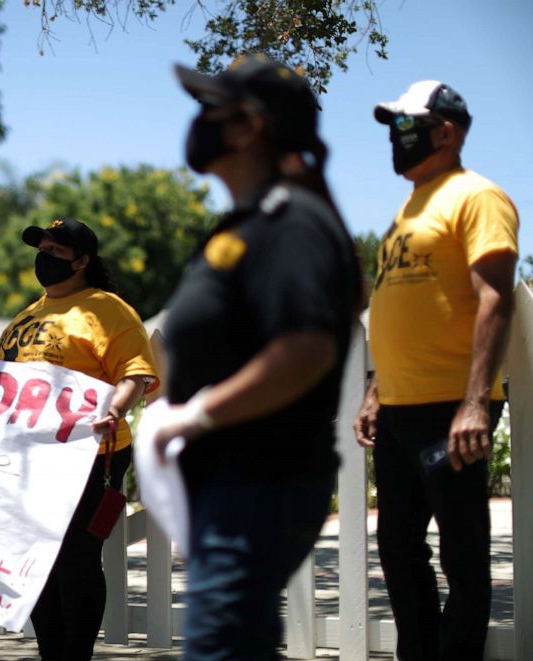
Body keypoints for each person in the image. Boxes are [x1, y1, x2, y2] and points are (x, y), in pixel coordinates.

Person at [152, 55, 361, 659]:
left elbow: (307, 348)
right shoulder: (251, 222)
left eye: (209, 108)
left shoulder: (290, 221)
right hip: (233, 481)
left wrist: (198, 415)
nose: (198, 121)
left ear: (249, 127)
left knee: (222, 649)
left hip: (258, 479)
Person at [0, 217, 159, 660]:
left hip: (91, 454)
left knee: (75, 559)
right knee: (38, 560)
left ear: (82, 260)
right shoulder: (28, 315)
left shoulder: (107, 309)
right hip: (28, 459)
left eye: (56, 251)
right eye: (43, 249)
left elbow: (137, 372)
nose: (45, 257)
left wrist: (115, 409)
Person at [354, 81, 518, 661]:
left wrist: (475, 402)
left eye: (407, 127)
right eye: (394, 129)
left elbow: (496, 297)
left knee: (461, 546)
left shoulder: (478, 196)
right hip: (399, 405)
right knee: (397, 545)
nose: (397, 140)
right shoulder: (406, 210)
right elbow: (397, 308)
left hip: (451, 403)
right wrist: (376, 388)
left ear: (446, 131)